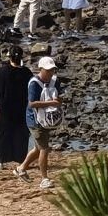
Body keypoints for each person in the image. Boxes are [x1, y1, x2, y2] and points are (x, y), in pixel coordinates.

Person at [19, 58, 61, 188]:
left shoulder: (55, 81)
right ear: (40, 69)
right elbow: (31, 103)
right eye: (48, 70)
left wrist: (57, 101)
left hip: (47, 119)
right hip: (35, 120)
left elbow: (60, 97)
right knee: (44, 148)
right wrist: (51, 103)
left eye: (52, 70)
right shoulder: (34, 83)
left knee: (38, 148)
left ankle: (21, 169)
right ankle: (44, 179)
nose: (50, 72)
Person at [0, 52, 31, 171]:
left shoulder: (2, 72)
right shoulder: (26, 72)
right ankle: (21, 159)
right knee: (21, 134)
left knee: (4, 134)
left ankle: (0, 161)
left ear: (10, 57)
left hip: (5, 108)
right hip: (22, 107)